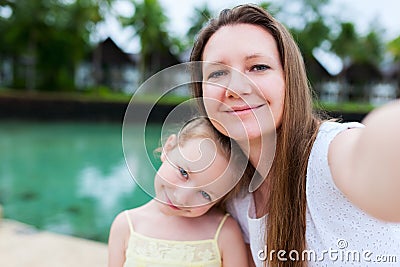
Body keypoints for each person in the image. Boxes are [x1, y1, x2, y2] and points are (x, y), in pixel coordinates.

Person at [189, 4, 400, 267]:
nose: (236, 88)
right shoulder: (238, 198)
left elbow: (373, 159)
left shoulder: (328, 153)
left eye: (258, 67)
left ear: (290, 80)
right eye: (217, 73)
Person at [108, 117, 250, 267]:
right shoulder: (125, 226)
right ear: (168, 148)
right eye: (183, 173)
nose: (181, 199)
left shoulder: (225, 234)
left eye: (205, 194)